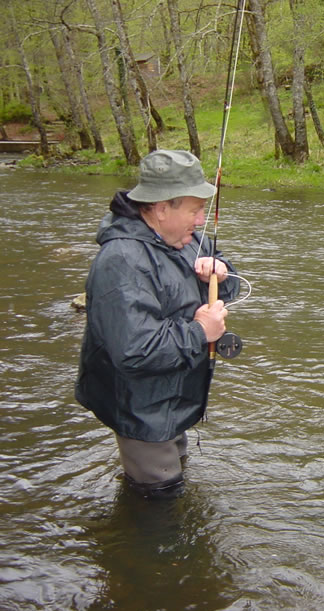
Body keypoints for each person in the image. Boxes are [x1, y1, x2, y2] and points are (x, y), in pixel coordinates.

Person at [75, 149, 239, 498]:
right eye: (195, 210)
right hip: (142, 408)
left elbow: (231, 285)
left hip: (173, 395)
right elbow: (135, 350)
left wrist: (221, 273)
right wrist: (200, 332)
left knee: (177, 478)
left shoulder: (186, 240)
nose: (200, 220)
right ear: (162, 208)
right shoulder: (121, 261)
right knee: (158, 500)